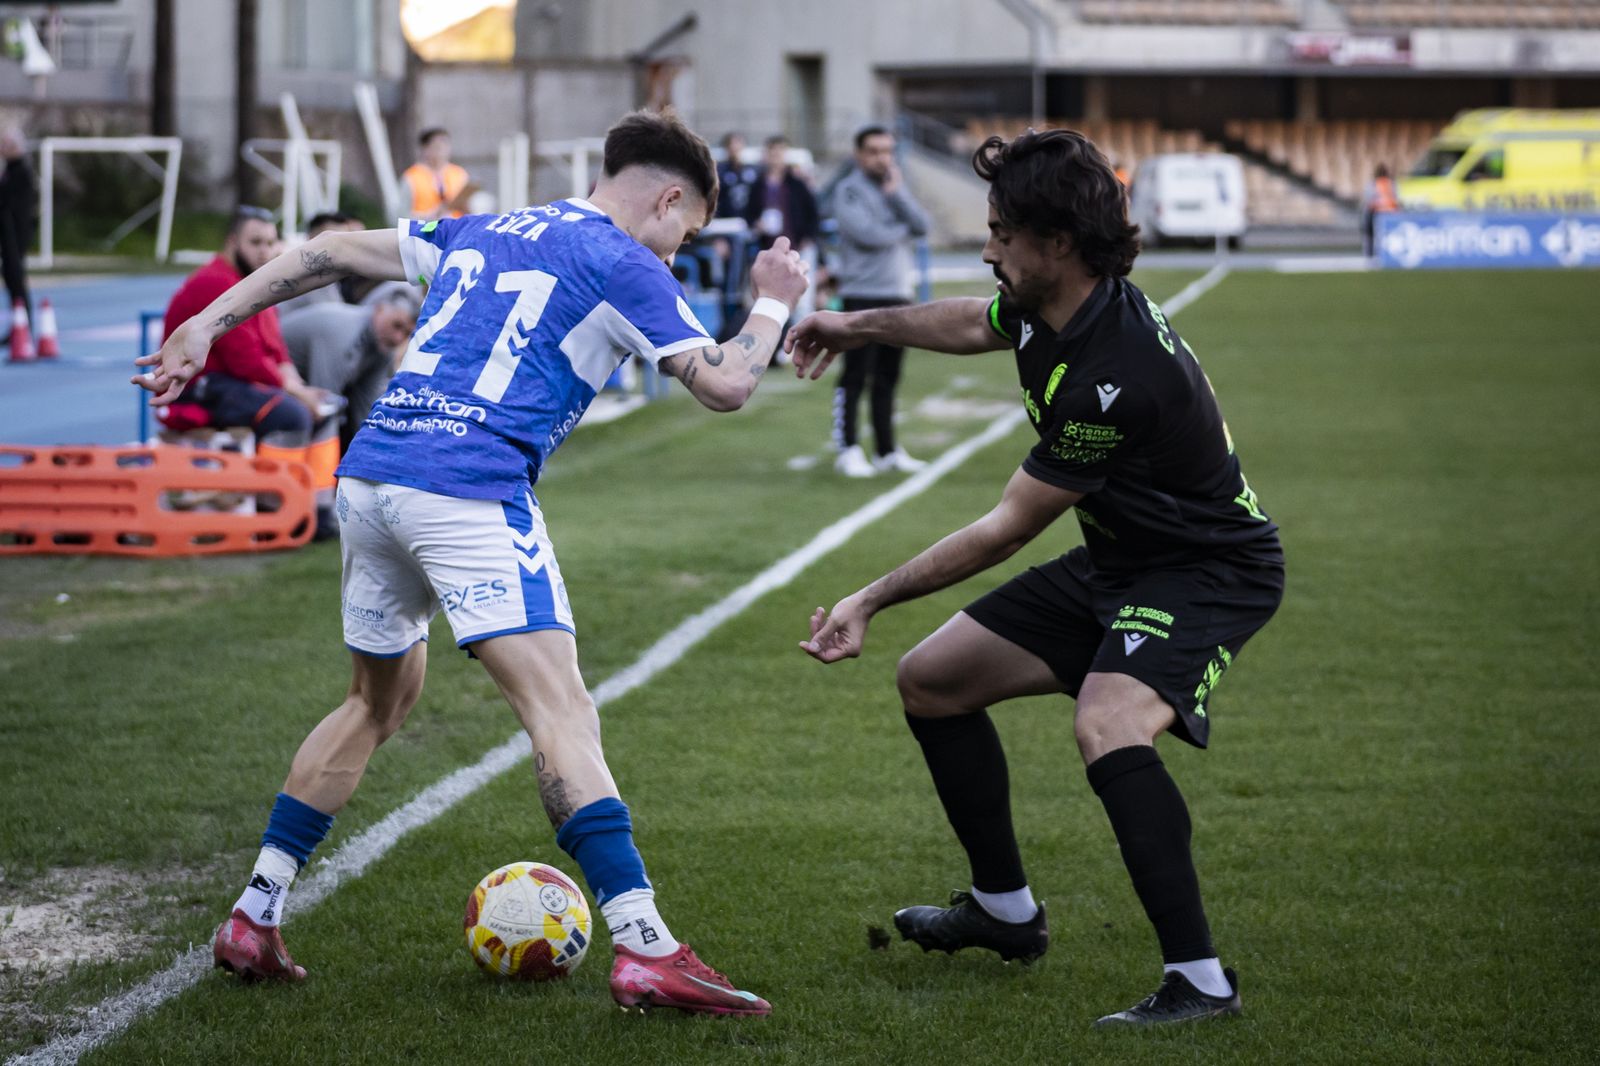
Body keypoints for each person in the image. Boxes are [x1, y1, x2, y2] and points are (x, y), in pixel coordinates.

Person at [137, 109, 808, 1017]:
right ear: (670, 197)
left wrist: (206, 324)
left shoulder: (484, 227)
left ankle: (253, 915)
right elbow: (727, 383)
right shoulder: (626, 263)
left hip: (371, 477)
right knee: (560, 707)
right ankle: (647, 946)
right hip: (470, 487)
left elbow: (328, 254)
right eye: (682, 236)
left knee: (376, 702)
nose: (676, 254)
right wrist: (773, 296)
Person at [786, 128, 1284, 1027]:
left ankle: (1201, 980)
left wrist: (870, 597)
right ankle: (1005, 913)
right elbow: (970, 320)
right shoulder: (1053, 304)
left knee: (1110, 721)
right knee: (933, 682)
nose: (988, 249)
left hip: (1209, 571)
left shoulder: (1115, 375)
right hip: (1121, 559)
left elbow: (1005, 529)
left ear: (1058, 243)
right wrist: (852, 323)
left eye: (1003, 233)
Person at [160, 206, 328, 443]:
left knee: (326, 406)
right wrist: (297, 393)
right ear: (233, 242)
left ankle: (316, 478)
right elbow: (245, 360)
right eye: (256, 243)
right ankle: (277, 479)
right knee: (293, 415)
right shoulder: (215, 282)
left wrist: (300, 387)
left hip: (230, 383)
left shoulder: (254, 282)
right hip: (196, 388)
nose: (265, 251)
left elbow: (276, 350)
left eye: (271, 243)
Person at [829, 125, 931, 478]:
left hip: (897, 293)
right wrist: (900, 227)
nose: (881, 158)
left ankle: (887, 450)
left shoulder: (896, 188)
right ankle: (849, 447)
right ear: (859, 154)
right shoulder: (848, 190)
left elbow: (923, 225)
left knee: (888, 375)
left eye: (887, 151)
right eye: (873, 151)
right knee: (856, 374)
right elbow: (868, 235)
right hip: (862, 293)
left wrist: (897, 197)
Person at [281, 289, 420, 451]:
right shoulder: (343, 332)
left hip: (309, 389)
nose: (398, 338)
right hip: (272, 378)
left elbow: (365, 410)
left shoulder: (382, 349)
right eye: (396, 325)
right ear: (379, 309)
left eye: (407, 333)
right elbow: (325, 405)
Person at [279, 211, 365, 318]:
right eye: (335, 242)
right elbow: (335, 318)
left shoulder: (333, 275)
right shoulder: (312, 274)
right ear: (311, 238)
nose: (344, 249)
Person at [0, 127, 36, 329]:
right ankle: (18, 324)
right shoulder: (10, 169)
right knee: (10, 275)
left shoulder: (20, 170)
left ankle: (23, 325)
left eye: (4, 144)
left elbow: (12, 204)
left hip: (15, 233)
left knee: (15, 276)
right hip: (9, 232)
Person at [402, 128, 473, 221]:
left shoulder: (459, 174)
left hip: (456, 230)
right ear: (425, 149)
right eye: (437, 146)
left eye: (446, 145)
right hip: (425, 231)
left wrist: (467, 208)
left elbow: (471, 211)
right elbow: (401, 215)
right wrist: (430, 215)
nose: (443, 150)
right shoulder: (411, 177)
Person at [1362, 163, 1399, 258]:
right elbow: (1396, 199)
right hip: (1390, 214)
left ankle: (1371, 253)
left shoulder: (1373, 184)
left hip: (1377, 213)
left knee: (1371, 233)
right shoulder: (1391, 183)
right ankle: (1387, 253)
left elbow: (1368, 201)